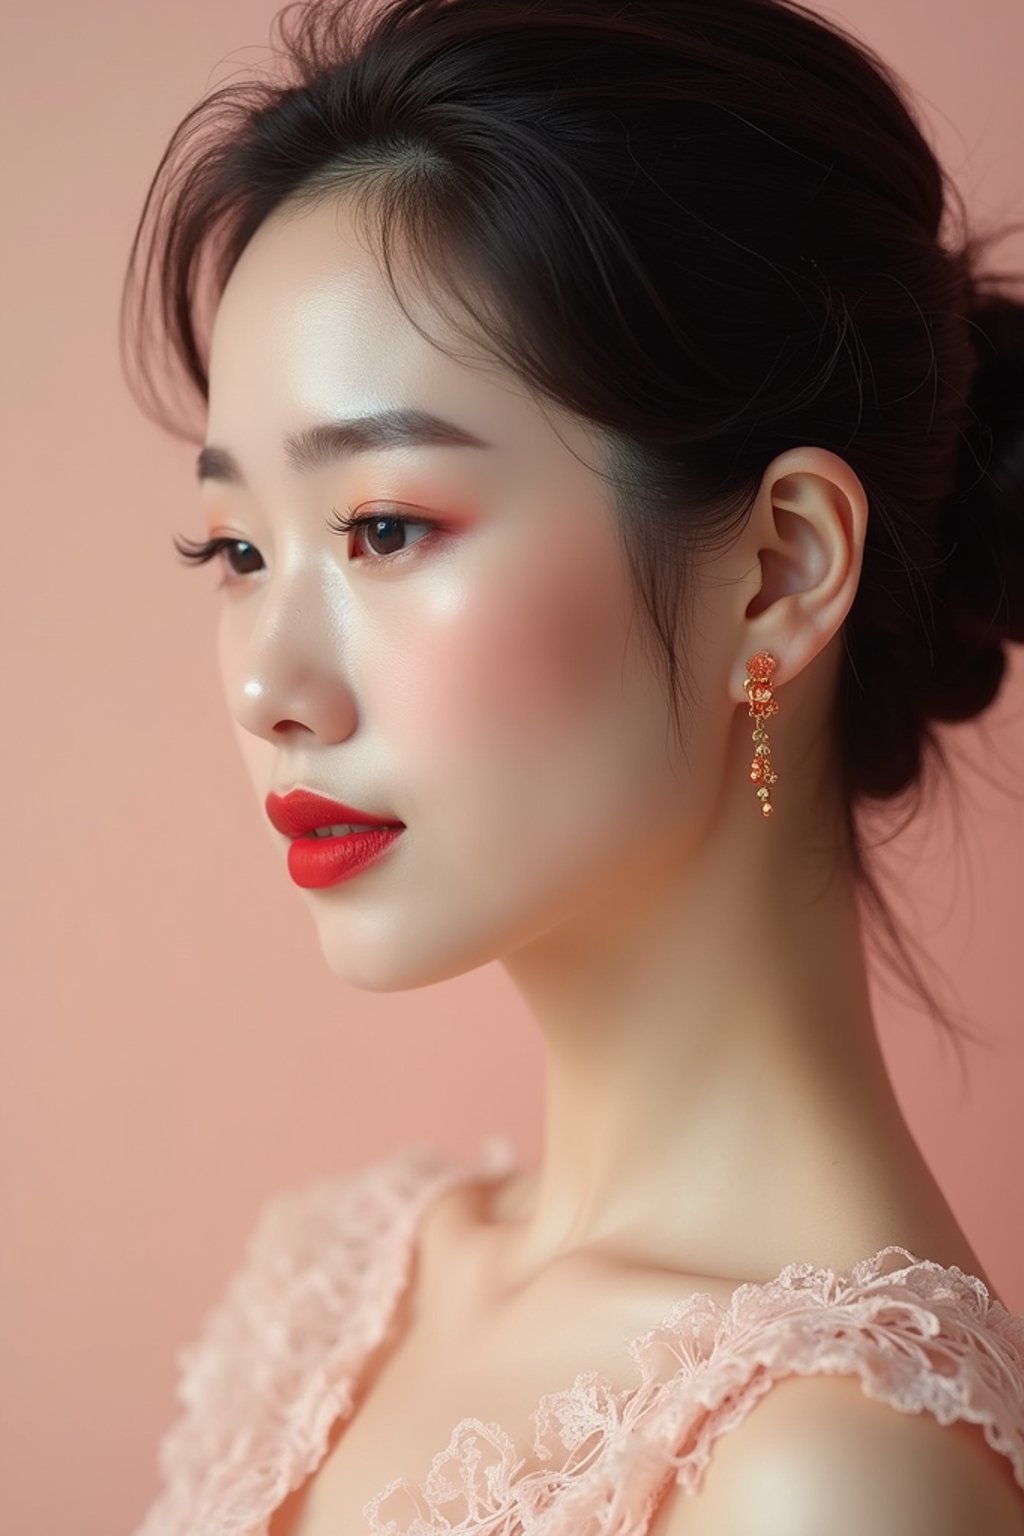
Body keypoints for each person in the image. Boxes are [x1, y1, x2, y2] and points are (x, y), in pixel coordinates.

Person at [121, 0, 1024, 1530]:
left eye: (383, 529)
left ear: (781, 570)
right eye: (237, 548)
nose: (270, 684)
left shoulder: (826, 1472)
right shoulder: (347, 1271)